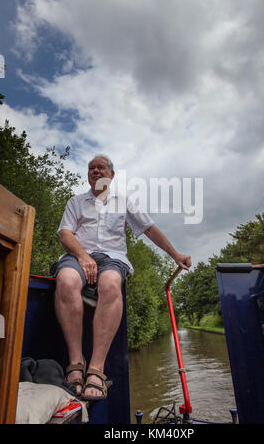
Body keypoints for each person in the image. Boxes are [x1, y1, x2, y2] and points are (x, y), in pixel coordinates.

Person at [52, 154, 191, 401]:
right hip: (79, 254)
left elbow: (149, 229)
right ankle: (76, 363)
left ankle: (96, 370)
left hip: (113, 258)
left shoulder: (124, 202)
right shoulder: (76, 202)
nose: (95, 171)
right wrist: (83, 257)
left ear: (111, 175)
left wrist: (175, 254)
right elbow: (65, 234)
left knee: (111, 283)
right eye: (91, 168)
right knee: (66, 280)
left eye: (101, 168)